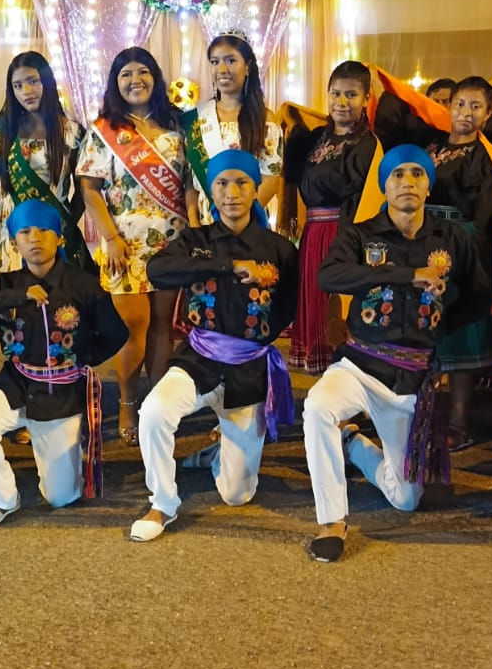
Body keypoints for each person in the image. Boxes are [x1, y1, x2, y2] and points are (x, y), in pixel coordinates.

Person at [303, 145, 491, 562]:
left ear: (429, 185)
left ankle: (352, 444)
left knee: (406, 498)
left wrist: (441, 328)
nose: (407, 182)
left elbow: (479, 295)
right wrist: (408, 275)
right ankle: (331, 521)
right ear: (385, 186)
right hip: (359, 364)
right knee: (317, 406)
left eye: (417, 174)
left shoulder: (451, 238)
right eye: (397, 175)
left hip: (412, 377)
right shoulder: (360, 233)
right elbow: (328, 276)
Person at [131, 150, 300, 541]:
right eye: (222, 183)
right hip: (199, 358)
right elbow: (158, 270)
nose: (231, 193)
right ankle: (162, 503)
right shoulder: (196, 240)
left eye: (242, 183)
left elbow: (286, 308)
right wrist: (225, 266)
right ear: (211, 191)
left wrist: (252, 339)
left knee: (237, 495)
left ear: (256, 190)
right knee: (154, 411)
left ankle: (217, 452)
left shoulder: (279, 249)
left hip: (249, 368)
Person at [0, 200, 128, 529]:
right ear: (13, 242)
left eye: (44, 230)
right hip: (17, 384)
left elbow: (116, 333)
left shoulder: (83, 284)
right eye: (24, 232)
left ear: (60, 238)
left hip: (61, 392)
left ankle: (60, 451)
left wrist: (81, 361)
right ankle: (2, 498)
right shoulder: (5, 285)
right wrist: (19, 296)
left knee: (61, 496)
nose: (34, 238)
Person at [78, 47, 192, 443]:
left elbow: (190, 184)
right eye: (125, 74)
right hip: (123, 245)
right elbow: (89, 189)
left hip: (172, 243)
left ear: (155, 78)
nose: (135, 80)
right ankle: (128, 403)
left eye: (142, 72)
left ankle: (157, 405)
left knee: (163, 327)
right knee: (132, 328)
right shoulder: (104, 129)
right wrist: (109, 238)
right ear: (115, 82)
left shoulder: (176, 126)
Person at [432, 77, 492, 445]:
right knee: (424, 329)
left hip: (463, 244)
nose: (465, 113)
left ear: (489, 112)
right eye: (459, 104)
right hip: (425, 239)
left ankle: (458, 423)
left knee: (459, 335)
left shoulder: (487, 153)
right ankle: (422, 416)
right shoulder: (433, 145)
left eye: (475, 106)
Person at [286, 61, 380, 375]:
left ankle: (343, 385)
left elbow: (359, 198)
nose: (341, 102)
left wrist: (348, 246)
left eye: (351, 94)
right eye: (335, 93)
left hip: (343, 232)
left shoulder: (367, 144)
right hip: (313, 233)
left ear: (366, 98)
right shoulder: (315, 138)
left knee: (336, 311)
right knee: (314, 306)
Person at [0, 51, 89, 279]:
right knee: (13, 294)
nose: (26, 91)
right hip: (12, 229)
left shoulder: (71, 131)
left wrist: (65, 222)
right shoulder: (0, 131)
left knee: (61, 295)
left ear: (47, 82)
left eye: (33, 81)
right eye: (18, 86)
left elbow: (83, 191)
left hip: (53, 226)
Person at [187, 34, 284, 227]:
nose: (222, 69)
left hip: (249, 224)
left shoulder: (264, 119)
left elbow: (271, 181)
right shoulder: (196, 119)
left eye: (230, 61)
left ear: (247, 66)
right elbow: (190, 181)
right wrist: (194, 225)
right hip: (206, 228)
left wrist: (237, 222)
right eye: (215, 62)